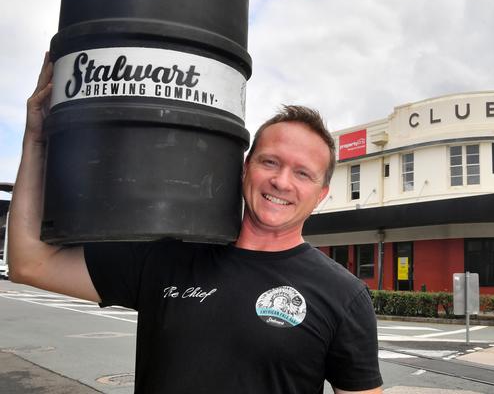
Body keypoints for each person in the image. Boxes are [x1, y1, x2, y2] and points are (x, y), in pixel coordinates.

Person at [9, 53, 383, 393]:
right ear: (244, 168)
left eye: (303, 173)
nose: (281, 182)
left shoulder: (343, 297)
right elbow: (31, 263)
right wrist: (37, 138)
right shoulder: (167, 256)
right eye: (270, 162)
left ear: (321, 194)